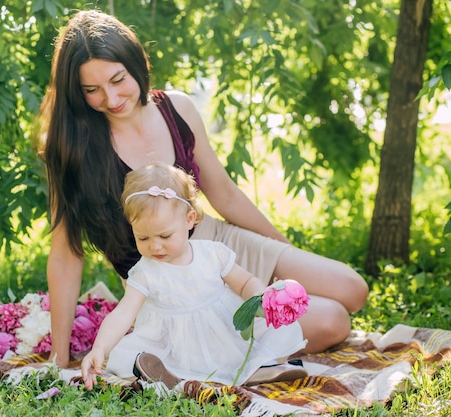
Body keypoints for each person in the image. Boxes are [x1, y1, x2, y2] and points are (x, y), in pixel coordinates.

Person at [39, 9, 369, 369]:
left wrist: (283, 254)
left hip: (219, 244)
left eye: (118, 79)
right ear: (76, 92)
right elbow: (65, 255)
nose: (112, 97)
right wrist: (60, 354)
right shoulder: (73, 149)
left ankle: (247, 337)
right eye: (92, 90)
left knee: (353, 290)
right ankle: (217, 351)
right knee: (334, 320)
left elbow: (224, 194)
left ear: (136, 64)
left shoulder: (177, 108)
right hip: (171, 282)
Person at [80, 162, 308, 390]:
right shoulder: (145, 272)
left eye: (165, 236)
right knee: (133, 357)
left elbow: (245, 281)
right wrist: (100, 348)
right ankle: (168, 375)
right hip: (174, 346)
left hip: (223, 337)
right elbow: (123, 314)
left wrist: (258, 296)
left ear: (189, 219)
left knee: (268, 335)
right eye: (144, 238)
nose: (155, 246)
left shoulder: (211, 254)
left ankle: (261, 368)